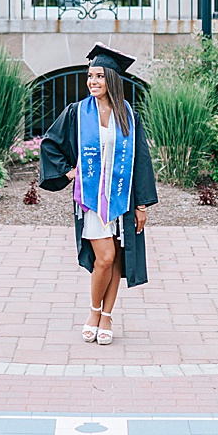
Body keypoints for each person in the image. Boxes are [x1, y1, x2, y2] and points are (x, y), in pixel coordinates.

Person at [39, 43, 157, 346]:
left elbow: (141, 159)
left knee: (117, 258)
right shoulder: (77, 112)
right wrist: (68, 172)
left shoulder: (128, 115)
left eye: (99, 77)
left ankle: (107, 317)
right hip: (91, 199)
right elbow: (50, 144)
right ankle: (93, 312)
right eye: (90, 76)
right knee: (104, 257)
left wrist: (142, 204)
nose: (93, 82)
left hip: (122, 197)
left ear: (112, 81)